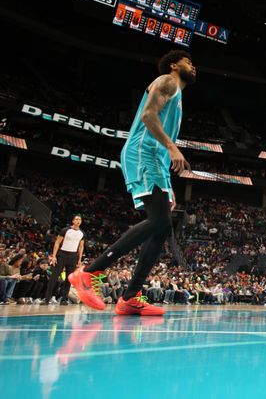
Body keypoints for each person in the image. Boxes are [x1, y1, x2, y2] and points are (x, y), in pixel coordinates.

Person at [69, 50, 196, 316]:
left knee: (162, 229)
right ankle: (90, 273)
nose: (193, 66)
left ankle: (130, 297)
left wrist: (167, 179)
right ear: (174, 65)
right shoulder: (167, 81)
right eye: (187, 62)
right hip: (143, 151)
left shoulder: (178, 93)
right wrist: (173, 148)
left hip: (157, 161)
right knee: (159, 223)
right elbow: (148, 116)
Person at [45, 215, 84, 304]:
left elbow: (81, 247)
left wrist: (79, 259)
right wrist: (54, 256)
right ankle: (47, 298)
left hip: (73, 256)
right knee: (54, 277)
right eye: (76, 219)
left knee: (69, 279)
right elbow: (57, 242)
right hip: (62, 254)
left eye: (80, 219)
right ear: (73, 221)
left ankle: (64, 299)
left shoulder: (82, 233)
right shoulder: (65, 230)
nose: (78, 221)